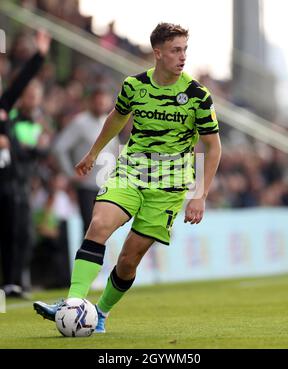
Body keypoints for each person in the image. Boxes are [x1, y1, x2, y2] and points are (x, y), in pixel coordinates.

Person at [33, 23, 221, 333]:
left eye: (185, 49)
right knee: (98, 225)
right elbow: (117, 116)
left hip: (169, 187)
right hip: (131, 171)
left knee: (128, 261)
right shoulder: (134, 85)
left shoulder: (196, 95)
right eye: (176, 50)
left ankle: (101, 312)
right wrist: (94, 153)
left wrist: (199, 194)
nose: (182, 56)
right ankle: (72, 304)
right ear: (157, 53)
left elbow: (213, 148)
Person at [0, 30, 51, 297]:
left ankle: (13, 283)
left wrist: (40, 55)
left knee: (17, 233)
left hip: (12, 181)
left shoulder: (5, 103)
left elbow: (21, 82)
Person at [53, 85, 119, 233]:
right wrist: (70, 174)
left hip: (106, 187)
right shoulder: (80, 123)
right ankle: (85, 256)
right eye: (97, 100)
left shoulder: (110, 123)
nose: (101, 103)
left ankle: (96, 257)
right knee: (90, 227)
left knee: (103, 229)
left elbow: (114, 153)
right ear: (91, 101)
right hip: (87, 185)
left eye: (104, 100)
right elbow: (60, 148)